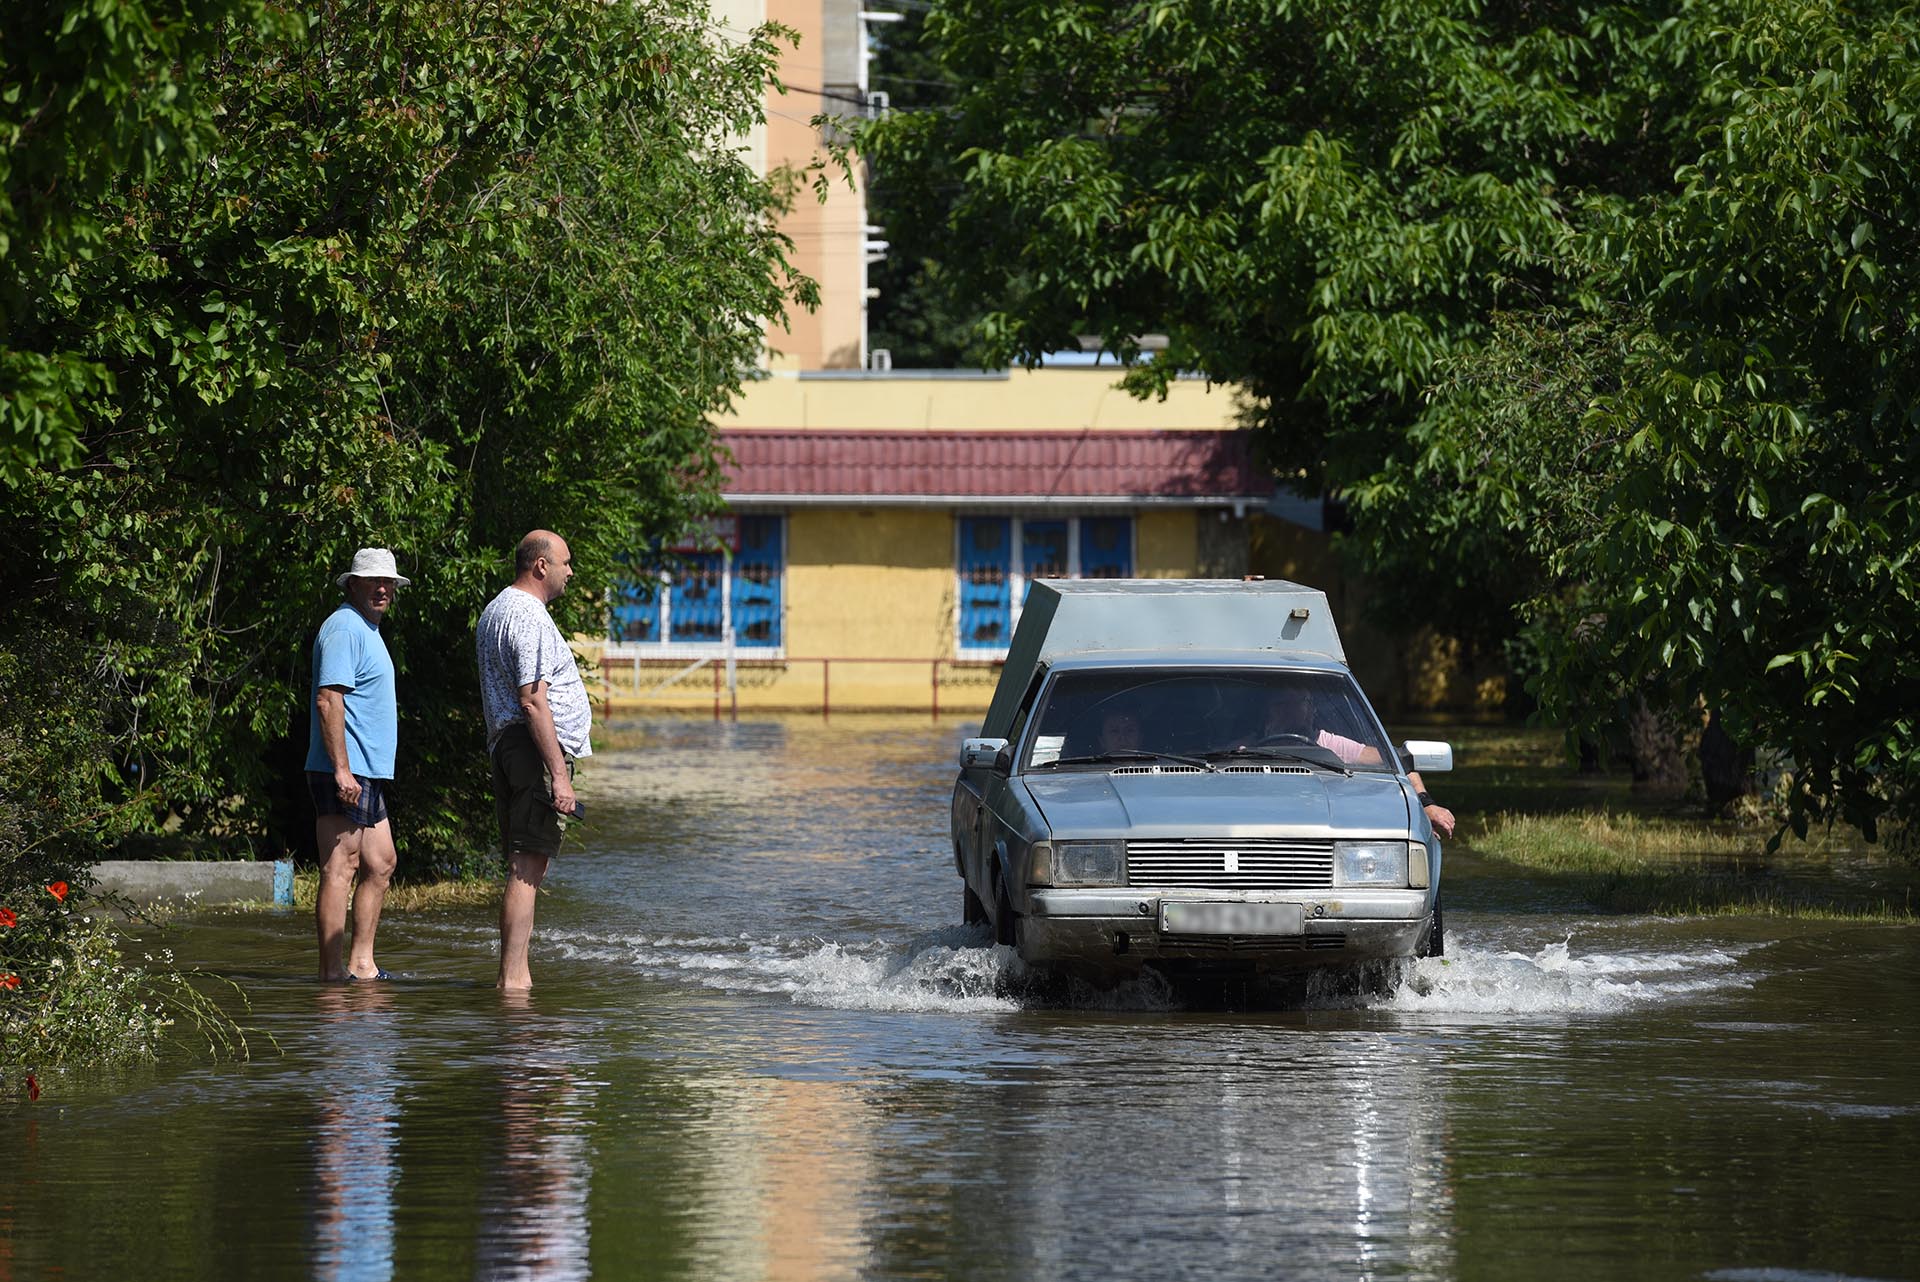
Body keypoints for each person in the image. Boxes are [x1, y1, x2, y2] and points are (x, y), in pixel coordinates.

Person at [475, 530, 593, 990]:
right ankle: (513, 981)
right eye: (565, 563)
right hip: (530, 748)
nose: (570, 571)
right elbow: (531, 700)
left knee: (525, 863)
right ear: (540, 565)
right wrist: (559, 776)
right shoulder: (526, 614)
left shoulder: (496, 609)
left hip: (510, 746)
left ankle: (515, 976)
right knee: (528, 866)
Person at [307, 547, 408, 981]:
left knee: (381, 862)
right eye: (373, 582)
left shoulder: (367, 629)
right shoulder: (345, 627)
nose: (382, 589)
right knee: (340, 865)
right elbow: (329, 700)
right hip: (346, 769)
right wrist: (342, 770)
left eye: (388, 583)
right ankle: (331, 975)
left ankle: (361, 964)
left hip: (367, 770)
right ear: (353, 584)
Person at [1259, 688, 1456, 838]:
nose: (1291, 710)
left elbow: (1400, 761)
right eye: (1283, 703)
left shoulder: (1332, 745)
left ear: (1311, 709)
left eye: (1298, 702)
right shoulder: (1239, 749)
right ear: (1269, 711)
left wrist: (1426, 804)